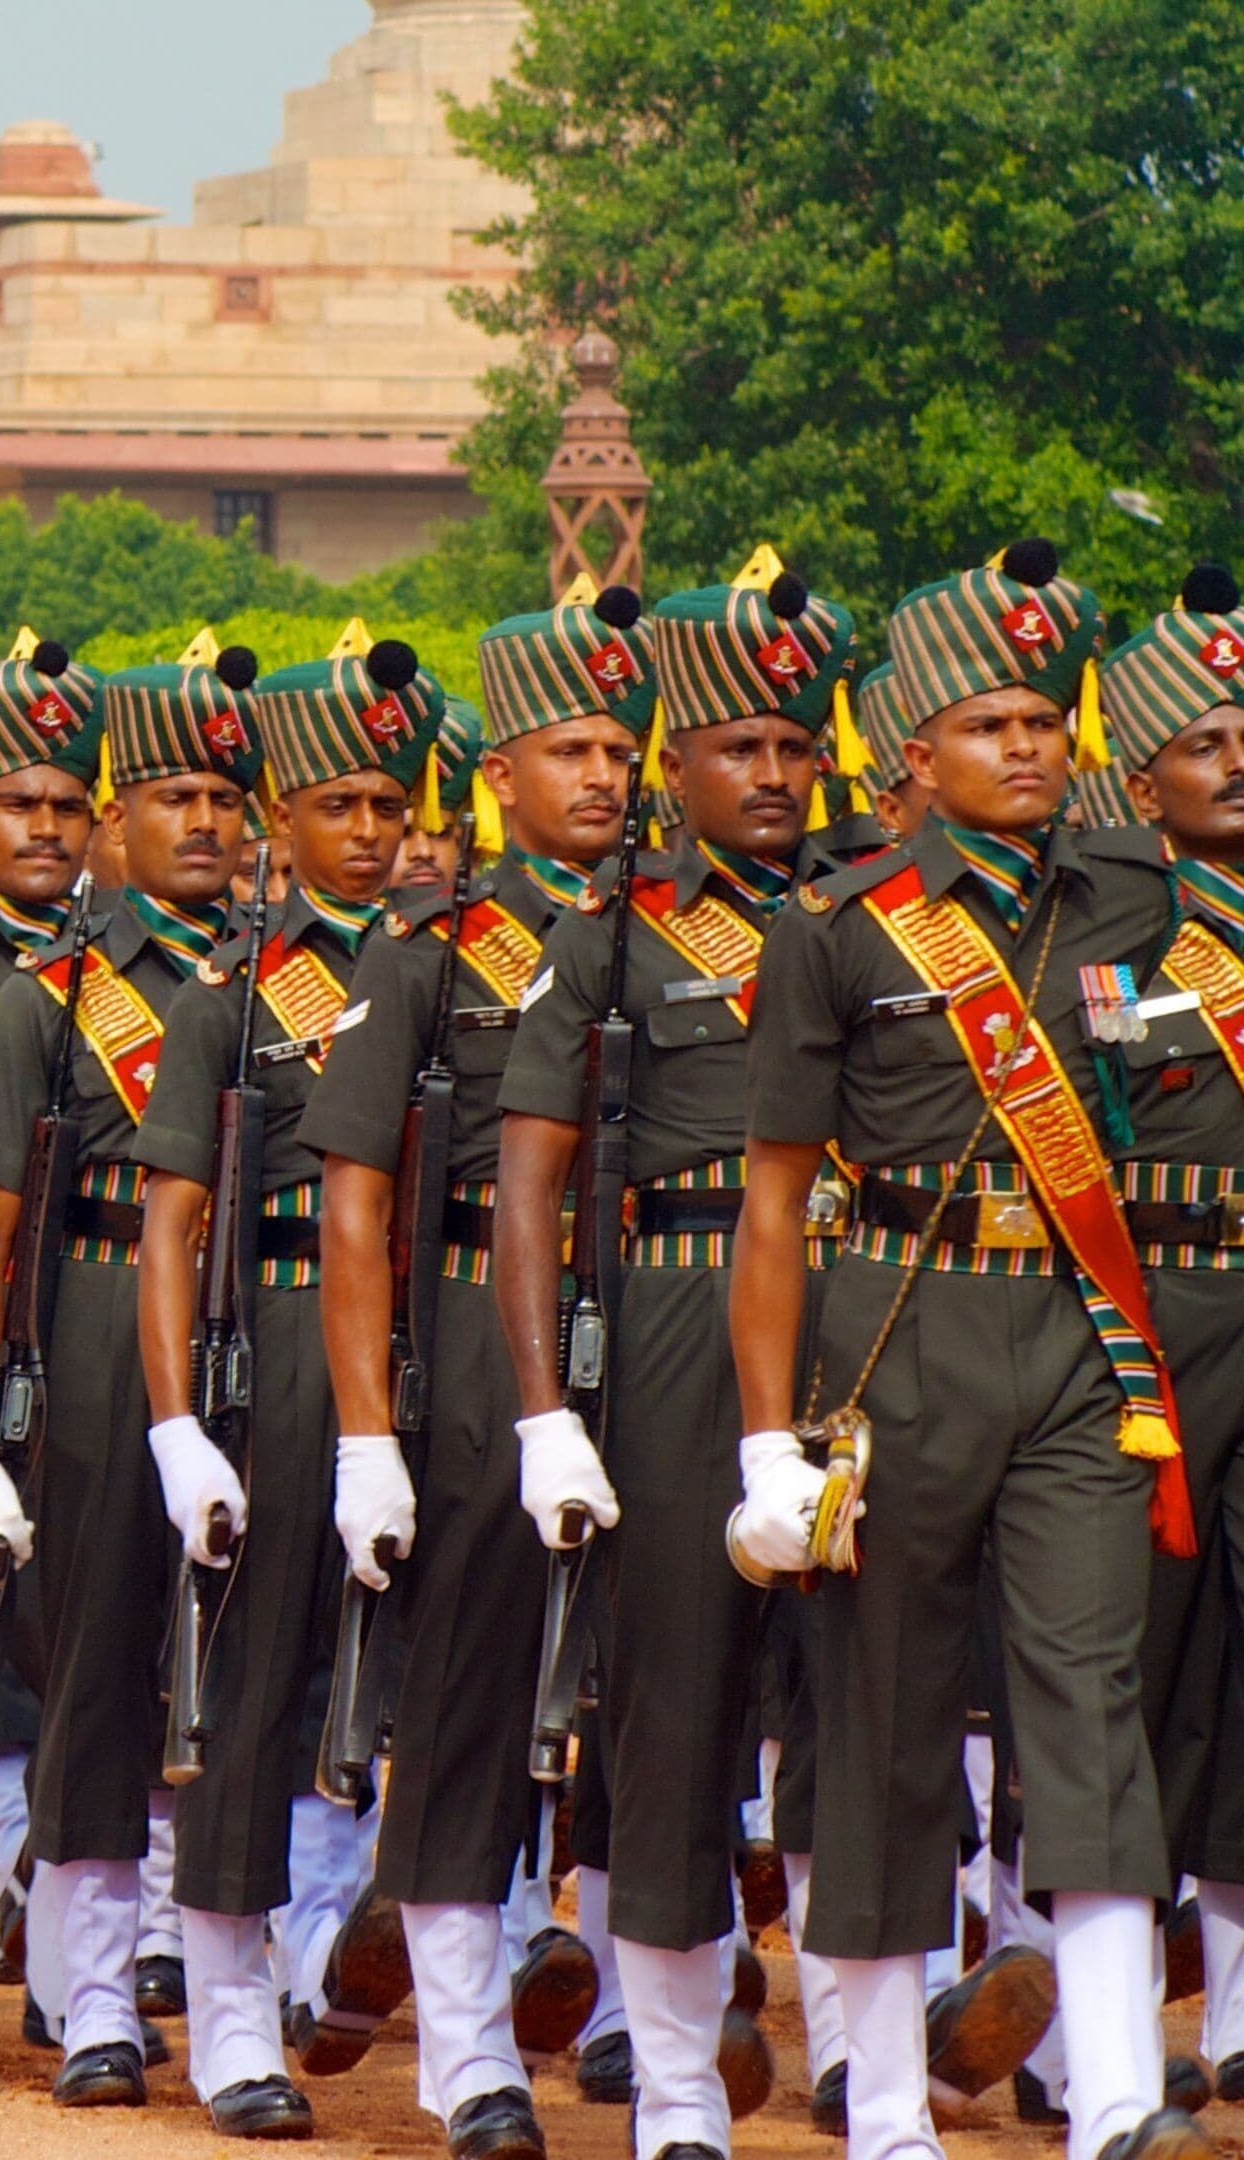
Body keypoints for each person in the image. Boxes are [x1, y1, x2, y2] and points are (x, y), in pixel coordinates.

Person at [729, 540, 1209, 2160]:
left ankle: (1118, 2099)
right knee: (886, 1716)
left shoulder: (1131, 894)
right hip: (898, 1334)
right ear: (913, 753)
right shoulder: (837, 926)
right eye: (986, 723)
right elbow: (774, 1203)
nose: (1023, 745)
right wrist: (765, 1441)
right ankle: (884, 2111)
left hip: (1080, 1340)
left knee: (1092, 1699)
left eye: (1041, 719)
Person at [483, 574, 836, 2157]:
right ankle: (677, 2087)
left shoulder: (877, 916)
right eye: (737, 746)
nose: (772, 774)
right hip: (679, 1321)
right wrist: (545, 1411)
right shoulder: (611, 931)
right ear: (675, 764)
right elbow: (530, 1188)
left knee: (864, 1702)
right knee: (679, 1707)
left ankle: (867, 2061)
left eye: (796, 745)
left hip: (868, 1306)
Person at [305, 612, 646, 2160]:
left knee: (658, 1696)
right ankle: (465, 2052)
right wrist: (367, 1434)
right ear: (499, 776)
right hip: (470, 1351)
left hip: (660, 1331)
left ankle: (642, 2014)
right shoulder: (427, 950)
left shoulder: (679, 935)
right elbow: (355, 1202)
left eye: (622, 749)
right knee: (463, 1699)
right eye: (570, 750)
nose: (603, 775)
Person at [120, 639, 441, 2137]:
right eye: (336, 805)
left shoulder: (458, 963)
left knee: (421, 1684)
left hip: (439, 1342)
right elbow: (173, 1226)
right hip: (290, 1353)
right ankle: (233, 2019)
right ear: (279, 821)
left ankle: (375, 1973)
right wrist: (180, 1425)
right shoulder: (230, 994)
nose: (367, 832)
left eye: (388, 804)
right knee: (252, 1697)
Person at [0, 646, 256, 2101]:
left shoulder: (285, 977)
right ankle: (94, 1994)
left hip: (261, 1321)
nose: (204, 822)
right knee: (98, 1678)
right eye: (175, 796)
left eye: (226, 798)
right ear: (121, 822)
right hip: (101, 1326)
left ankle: (243, 1996)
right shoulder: (53, 991)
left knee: (244, 1674)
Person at [1095, 568, 1244, 2111]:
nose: (1240, 760)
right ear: (1144, 785)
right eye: (1206, 741)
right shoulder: (1111, 931)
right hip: (1165, 1308)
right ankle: (1101, 2023)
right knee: (1139, 1654)